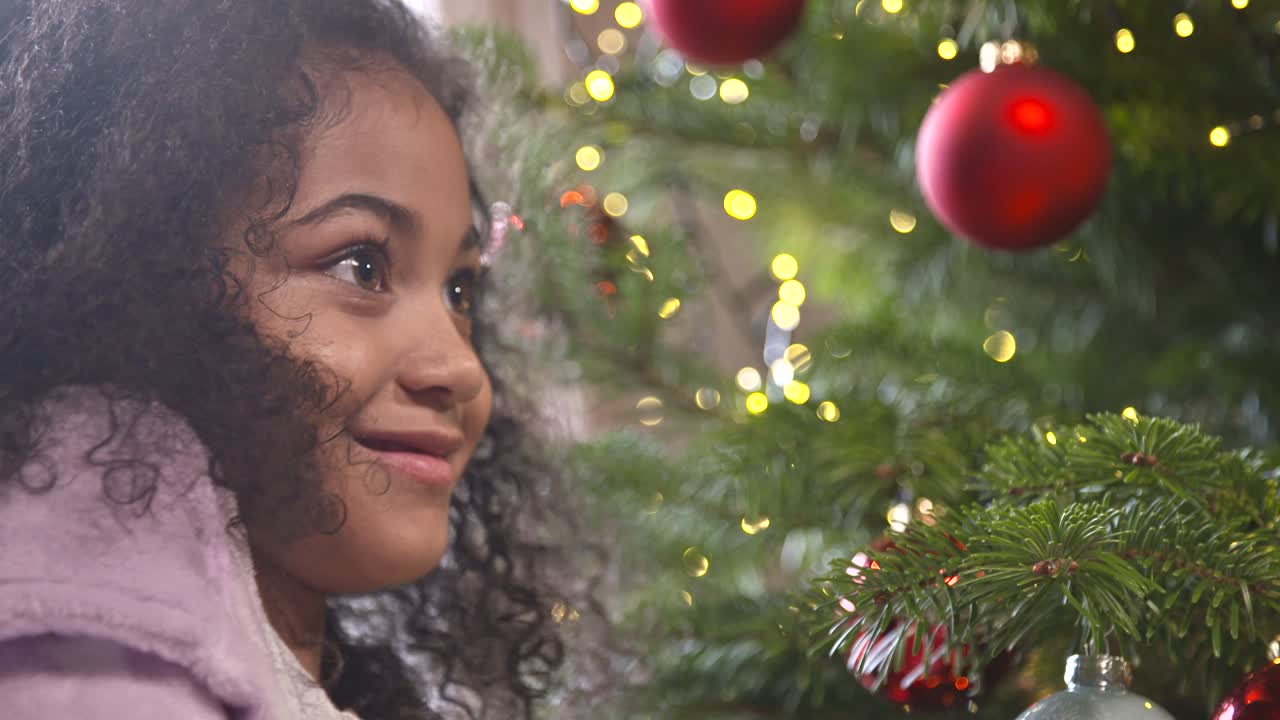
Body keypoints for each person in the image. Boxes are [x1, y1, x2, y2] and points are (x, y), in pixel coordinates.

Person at [0, 1, 590, 718]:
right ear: (140, 281)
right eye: (360, 267)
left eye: (460, 289)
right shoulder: (89, 676)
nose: (461, 369)